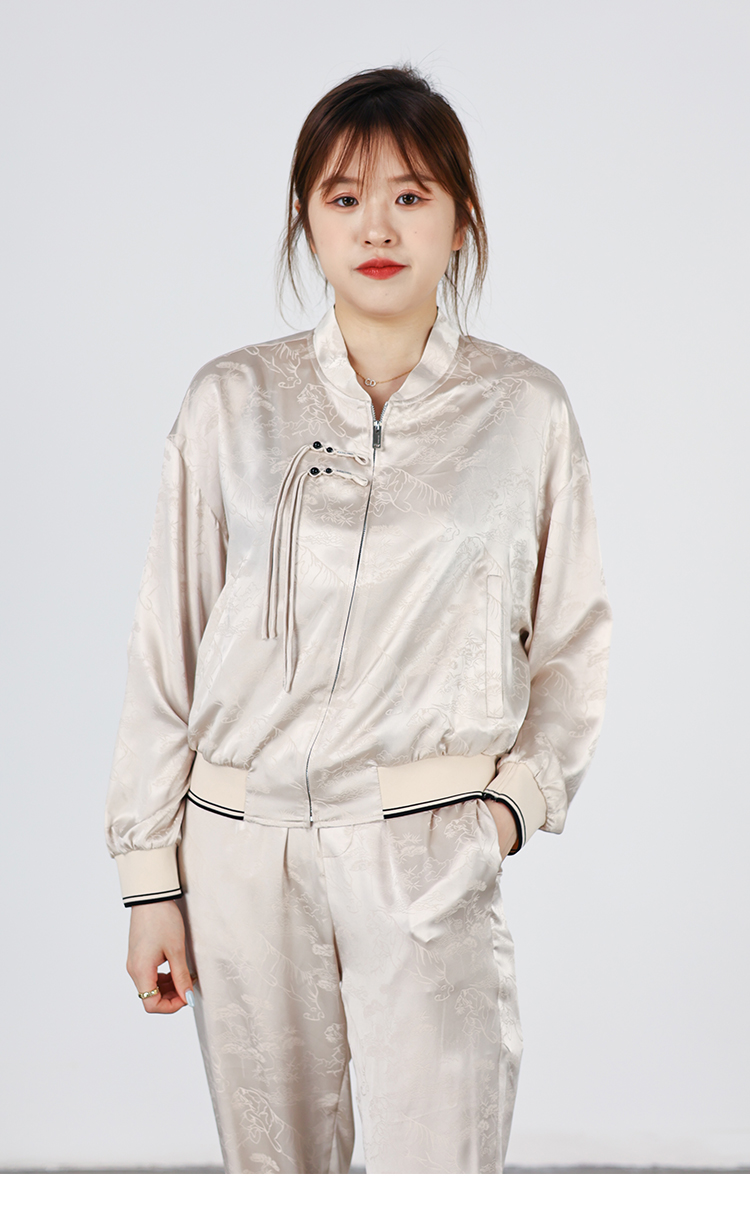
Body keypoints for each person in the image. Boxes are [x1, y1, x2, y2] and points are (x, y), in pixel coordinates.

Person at [105, 64, 612, 1175]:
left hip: (425, 844)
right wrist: (152, 880)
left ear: (460, 219)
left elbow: (572, 648)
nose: (376, 226)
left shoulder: (523, 410)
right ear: (307, 219)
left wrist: (506, 813)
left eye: (410, 195)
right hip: (242, 856)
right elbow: (166, 649)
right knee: (276, 1181)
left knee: (443, 1173)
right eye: (344, 197)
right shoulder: (231, 402)